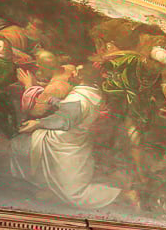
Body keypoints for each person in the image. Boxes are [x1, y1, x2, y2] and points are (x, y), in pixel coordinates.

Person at [7, 65, 123, 210]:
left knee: (76, 194)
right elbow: (72, 110)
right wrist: (53, 101)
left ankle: (121, 195)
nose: (72, 74)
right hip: (74, 141)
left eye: (76, 72)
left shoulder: (79, 97)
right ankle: (47, 188)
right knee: (20, 148)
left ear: (80, 77)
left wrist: (37, 123)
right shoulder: (92, 92)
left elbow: (64, 120)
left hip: (62, 146)